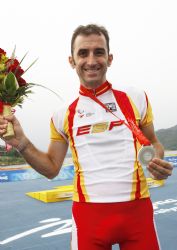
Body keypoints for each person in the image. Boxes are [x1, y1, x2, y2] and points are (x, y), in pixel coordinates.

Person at [0, 24, 173, 250]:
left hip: (138, 215)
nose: (91, 60)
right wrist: (21, 143)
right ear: (71, 61)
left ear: (109, 58)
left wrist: (156, 161)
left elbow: (154, 144)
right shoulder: (63, 114)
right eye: (83, 53)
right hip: (89, 220)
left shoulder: (136, 97)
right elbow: (52, 168)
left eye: (98, 52)